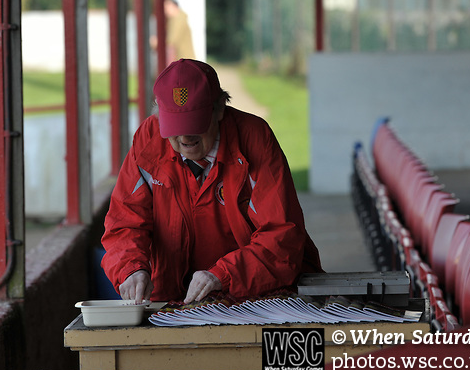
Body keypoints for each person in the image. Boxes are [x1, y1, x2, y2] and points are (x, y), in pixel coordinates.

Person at [100, 59, 323, 304]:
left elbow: (282, 236)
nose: (185, 137)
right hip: (173, 298)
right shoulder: (149, 140)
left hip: (259, 295)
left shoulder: (254, 139)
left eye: (194, 124)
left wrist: (222, 276)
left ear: (219, 109)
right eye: (174, 126)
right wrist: (131, 269)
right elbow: (124, 222)